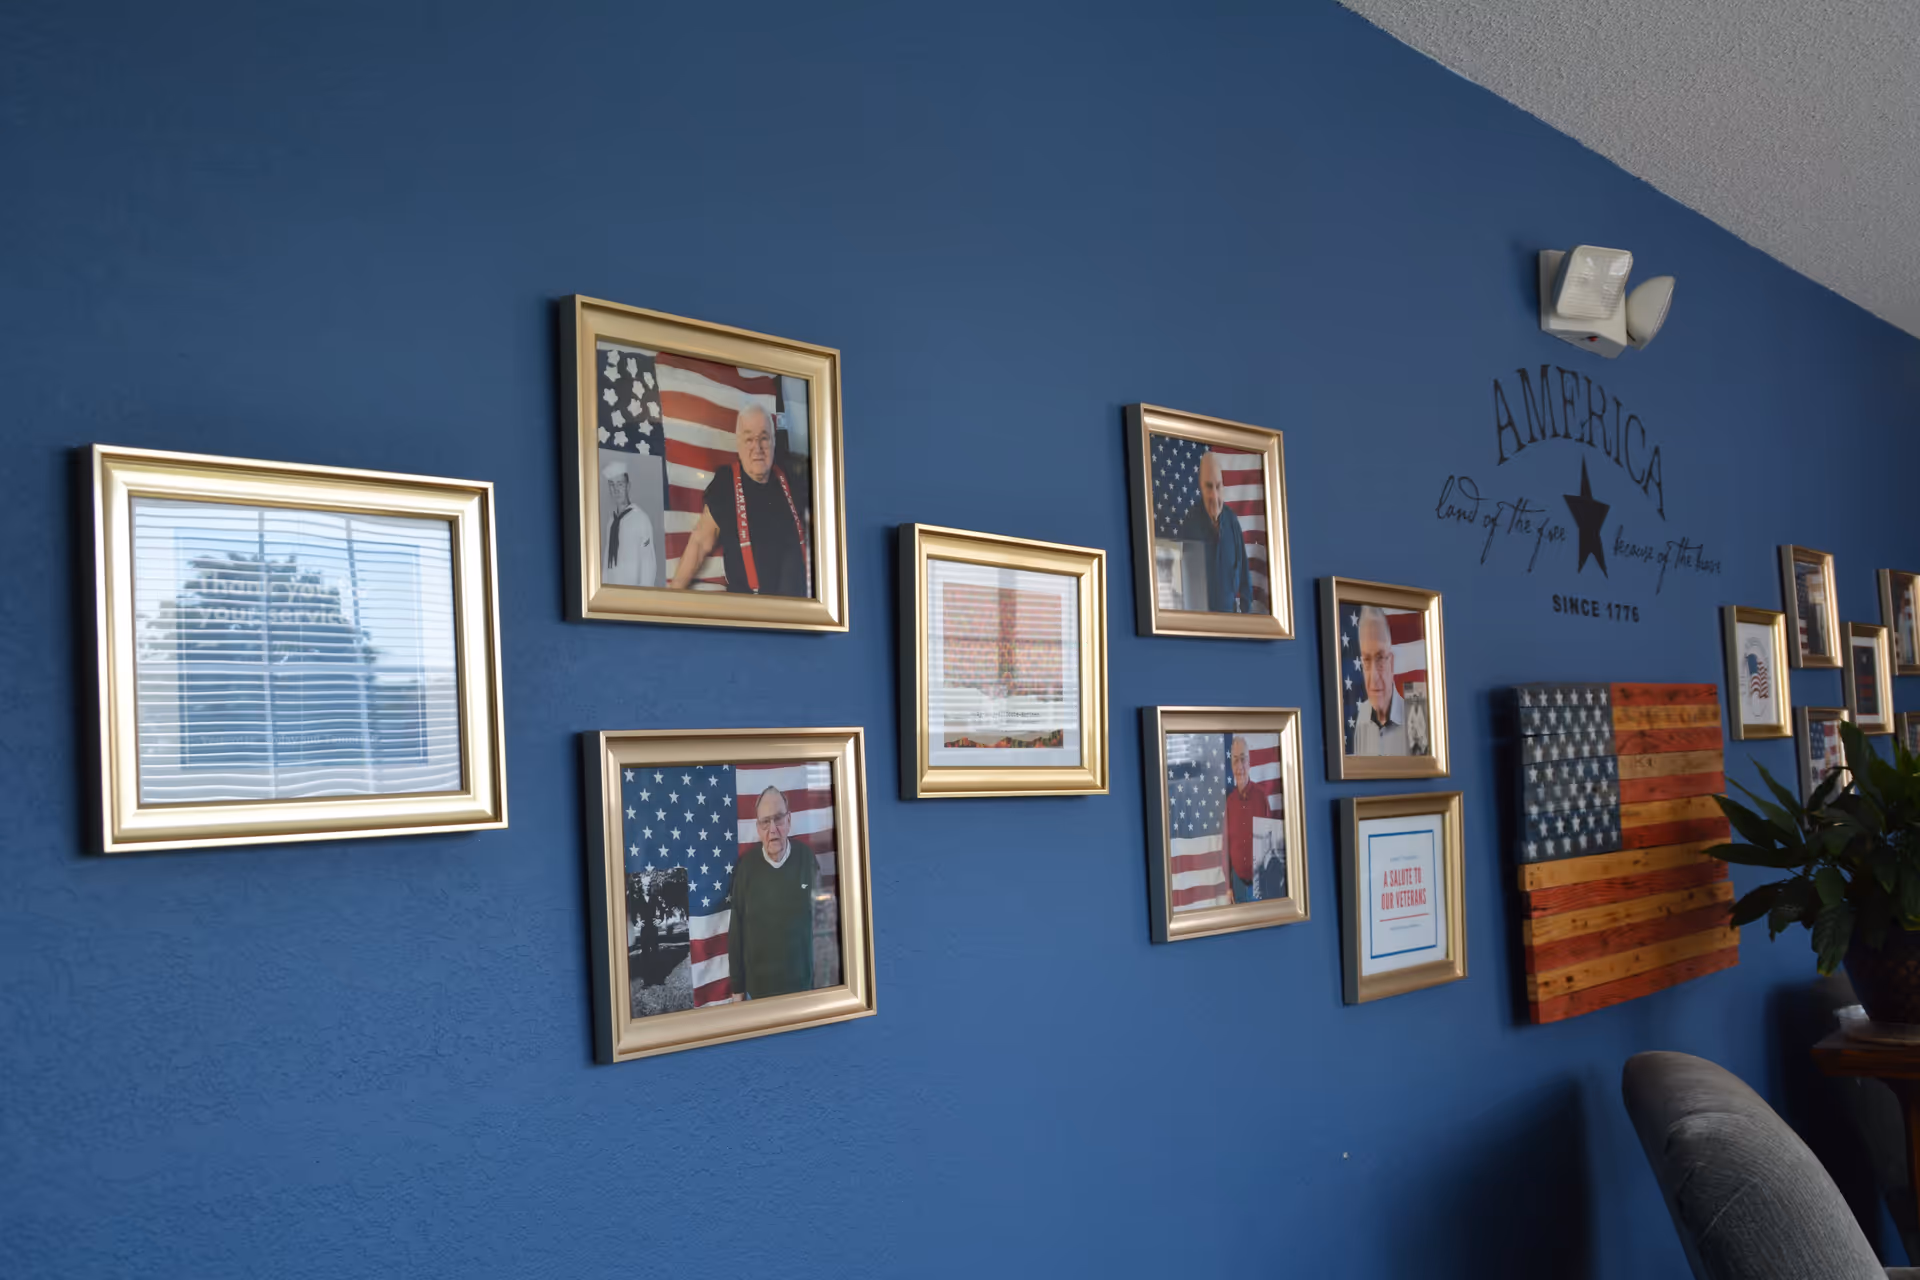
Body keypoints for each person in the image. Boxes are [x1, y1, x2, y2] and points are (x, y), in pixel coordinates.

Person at [668, 405, 810, 597]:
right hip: (750, 609)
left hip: (800, 609)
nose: (757, 448)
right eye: (749, 439)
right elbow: (701, 542)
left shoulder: (793, 476)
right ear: (738, 444)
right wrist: (673, 594)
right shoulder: (726, 483)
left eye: (764, 438)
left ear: (774, 441)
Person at [727, 786, 817, 1000]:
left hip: (802, 988)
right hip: (757, 992)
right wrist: (737, 991)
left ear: (789, 820)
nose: (773, 829)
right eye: (765, 822)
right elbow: (736, 932)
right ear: (758, 828)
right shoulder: (746, 867)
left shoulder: (806, 859)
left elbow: (824, 922)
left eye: (778, 819)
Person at [1175, 451, 1251, 613]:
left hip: (1232, 624)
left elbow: (1244, 579)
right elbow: (1182, 583)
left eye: (1218, 486)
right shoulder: (1190, 523)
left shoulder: (1232, 522)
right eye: (1209, 487)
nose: (1214, 495)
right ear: (1200, 486)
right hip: (1201, 624)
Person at [1352, 606, 1429, 756]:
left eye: (1380, 658)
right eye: (1366, 660)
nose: (1373, 676)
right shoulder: (1363, 715)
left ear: (1392, 662)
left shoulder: (1416, 713)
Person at [600, 458, 657, 587]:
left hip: (633, 593)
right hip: (611, 593)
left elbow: (648, 562)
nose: (616, 490)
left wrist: (643, 596)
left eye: (620, 484)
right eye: (612, 485)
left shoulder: (640, 519)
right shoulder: (611, 522)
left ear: (628, 486)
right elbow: (606, 560)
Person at [1220, 735, 1261, 903]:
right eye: (1235, 760)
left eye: (1243, 760)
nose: (1240, 767)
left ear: (1249, 763)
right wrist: (1228, 887)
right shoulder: (1229, 803)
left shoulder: (1261, 797)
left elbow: (1270, 843)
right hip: (1237, 884)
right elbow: (1225, 847)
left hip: (1259, 884)